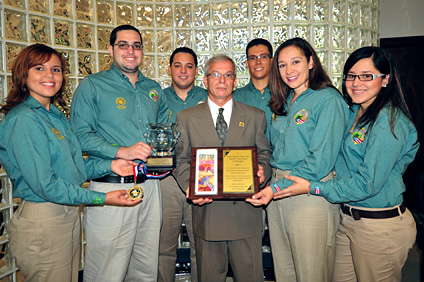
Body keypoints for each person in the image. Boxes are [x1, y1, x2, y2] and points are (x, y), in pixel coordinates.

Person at [0, 43, 141, 282]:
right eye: (39, 68)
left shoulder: (54, 115)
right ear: (23, 74)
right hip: (43, 217)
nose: (49, 76)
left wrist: (111, 165)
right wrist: (103, 198)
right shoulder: (23, 120)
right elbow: (46, 184)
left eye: (56, 70)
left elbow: (73, 169)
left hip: (67, 213)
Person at [277, 46, 419, 282]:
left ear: (385, 79)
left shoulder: (389, 122)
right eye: (351, 76)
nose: (356, 83)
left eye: (367, 76)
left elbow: (366, 185)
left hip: (379, 224)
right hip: (348, 219)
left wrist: (313, 187)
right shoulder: (353, 111)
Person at [70, 25, 169, 282]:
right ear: (111, 49)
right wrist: (120, 152)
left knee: (145, 269)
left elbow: (164, 134)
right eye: (123, 45)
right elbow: (78, 136)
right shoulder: (92, 85)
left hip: (149, 188)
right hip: (110, 188)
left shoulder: (154, 89)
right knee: (107, 271)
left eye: (136, 45)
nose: (130, 51)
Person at [247, 38, 349, 282]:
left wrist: (274, 189)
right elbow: (275, 150)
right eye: (282, 65)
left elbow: (320, 161)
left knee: (311, 273)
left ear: (311, 62)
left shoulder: (327, 100)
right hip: (278, 195)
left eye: (295, 62)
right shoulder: (284, 99)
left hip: (308, 195)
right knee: (284, 272)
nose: (288, 70)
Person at [174, 54, 272, 282]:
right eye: (215, 75)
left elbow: (265, 154)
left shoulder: (255, 116)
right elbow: (180, 160)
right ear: (205, 80)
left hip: (246, 215)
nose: (222, 80)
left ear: (235, 81)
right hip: (207, 214)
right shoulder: (186, 118)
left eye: (228, 75)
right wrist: (191, 187)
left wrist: (262, 171)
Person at [158, 47, 207, 282]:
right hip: (166, 179)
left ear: (197, 71)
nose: (183, 71)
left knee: (201, 243)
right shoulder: (156, 98)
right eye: (177, 65)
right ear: (169, 69)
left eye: (189, 66)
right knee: (164, 243)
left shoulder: (209, 97)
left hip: (201, 177)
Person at [233, 38, 273, 139]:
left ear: (271, 61)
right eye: (253, 58)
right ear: (247, 64)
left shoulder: (285, 94)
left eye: (263, 56)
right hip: (246, 154)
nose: (258, 61)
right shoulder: (235, 97)